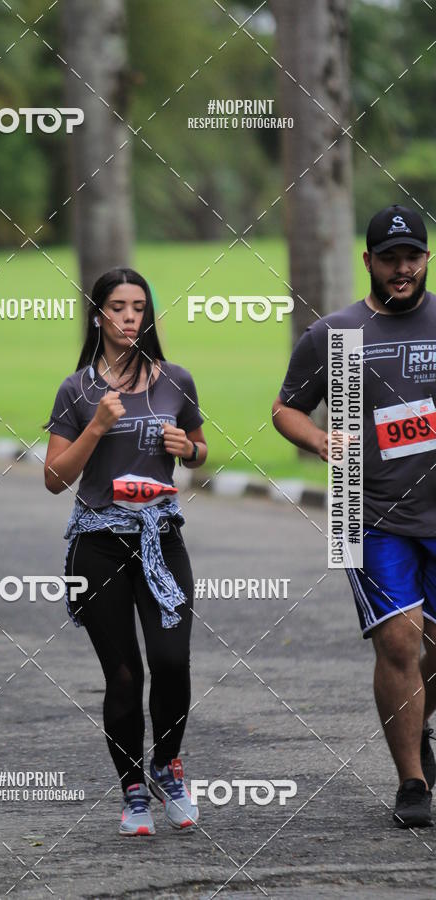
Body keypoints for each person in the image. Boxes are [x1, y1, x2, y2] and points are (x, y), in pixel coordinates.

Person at [273, 204, 436, 828]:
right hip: (362, 510)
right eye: (389, 258)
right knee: (399, 642)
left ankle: (416, 724)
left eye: (412, 257)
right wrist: (317, 440)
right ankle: (413, 783)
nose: (402, 268)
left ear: (426, 259)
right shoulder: (335, 336)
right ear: (368, 261)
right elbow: (286, 408)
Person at [44, 268, 207, 835]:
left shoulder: (176, 380)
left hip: (161, 540)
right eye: (118, 307)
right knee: (124, 675)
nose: (130, 317)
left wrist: (189, 448)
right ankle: (133, 791)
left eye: (139, 306)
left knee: (171, 662)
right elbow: (54, 478)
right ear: (99, 316)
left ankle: (167, 764)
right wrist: (96, 427)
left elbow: (199, 449)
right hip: (98, 547)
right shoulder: (78, 390)